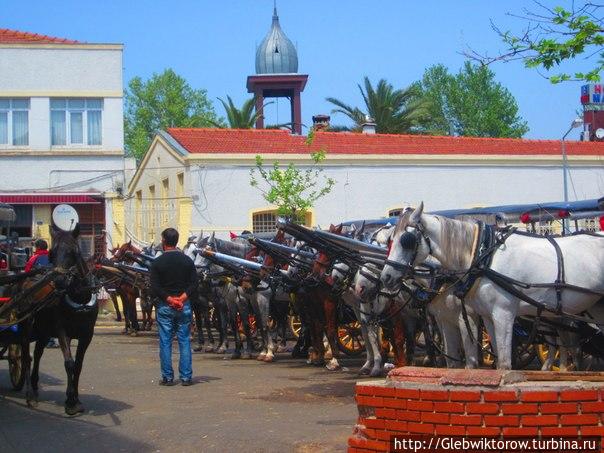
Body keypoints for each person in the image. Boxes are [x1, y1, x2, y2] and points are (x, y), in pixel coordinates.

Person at [150, 228, 198, 386]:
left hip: (165, 306)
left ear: (163, 241)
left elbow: (155, 286)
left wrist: (170, 299)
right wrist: (182, 298)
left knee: (165, 342)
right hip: (183, 306)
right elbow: (194, 284)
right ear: (176, 241)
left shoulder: (157, 263)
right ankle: (186, 377)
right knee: (184, 340)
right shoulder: (187, 261)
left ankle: (168, 377)